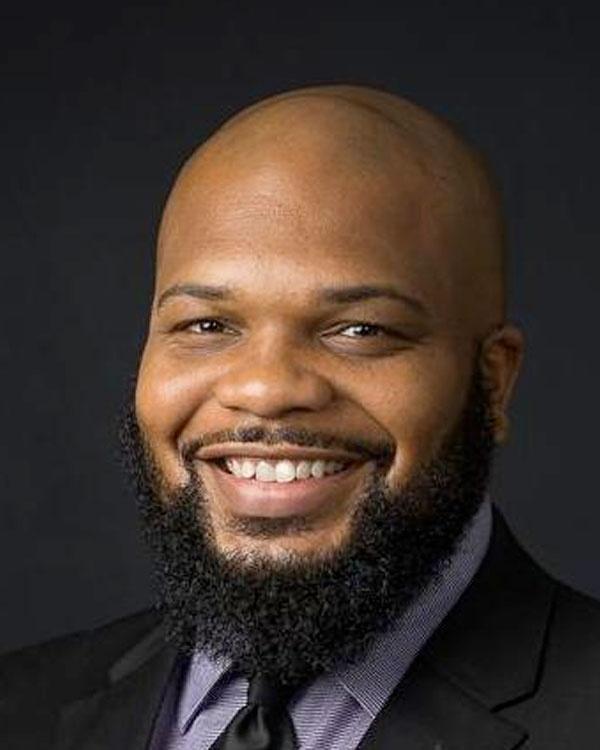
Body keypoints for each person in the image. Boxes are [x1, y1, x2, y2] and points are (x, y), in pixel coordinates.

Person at [2, 84, 599, 750]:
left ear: (493, 381)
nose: (264, 389)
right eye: (207, 324)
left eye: (361, 330)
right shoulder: (21, 707)